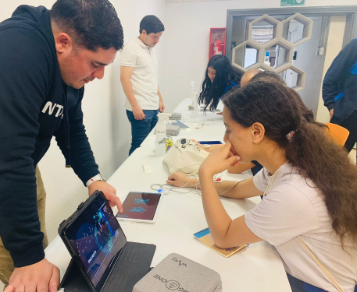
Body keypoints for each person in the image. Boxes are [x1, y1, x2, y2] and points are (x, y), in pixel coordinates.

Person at [0, 0, 124, 291]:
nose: (99, 75)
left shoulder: (69, 70)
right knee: (32, 277)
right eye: (96, 64)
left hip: (19, 170)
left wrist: (93, 178)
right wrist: (28, 257)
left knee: (44, 261)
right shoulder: (14, 51)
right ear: (63, 42)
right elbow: (6, 161)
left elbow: (70, 126)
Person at [198, 81, 357, 291]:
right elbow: (238, 190)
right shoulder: (285, 164)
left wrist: (205, 174)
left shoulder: (294, 192)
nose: (225, 139)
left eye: (229, 130)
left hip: (315, 286)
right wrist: (192, 183)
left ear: (257, 132)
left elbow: (224, 237)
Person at [120, 15, 165, 155]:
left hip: (153, 105)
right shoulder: (131, 48)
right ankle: (131, 175)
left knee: (150, 145)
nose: (157, 41)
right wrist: (135, 106)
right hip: (140, 108)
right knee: (139, 146)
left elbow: (152, 77)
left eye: (159, 37)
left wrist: (160, 99)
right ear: (143, 32)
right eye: (154, 37)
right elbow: (124, 78)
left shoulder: (151, 48)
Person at [323, 38, 357, 154]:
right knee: (333, 158)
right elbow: (331, 77)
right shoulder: (355, 46)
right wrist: (331, 104)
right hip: (347, 114)